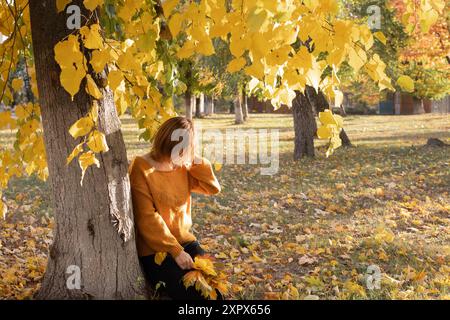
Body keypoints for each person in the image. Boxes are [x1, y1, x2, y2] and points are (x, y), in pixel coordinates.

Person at [128, 116, 221, 299]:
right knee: (194, 294)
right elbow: (146, 218)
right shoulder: (141, 167)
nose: (184, 153)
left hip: (186, 242)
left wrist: (192, 159)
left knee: (215, 290)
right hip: (156, 251)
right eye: (182, 149)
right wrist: (176, 251)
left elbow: (212, 188)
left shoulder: (182, 167)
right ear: (167, 142)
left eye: (187, 149)